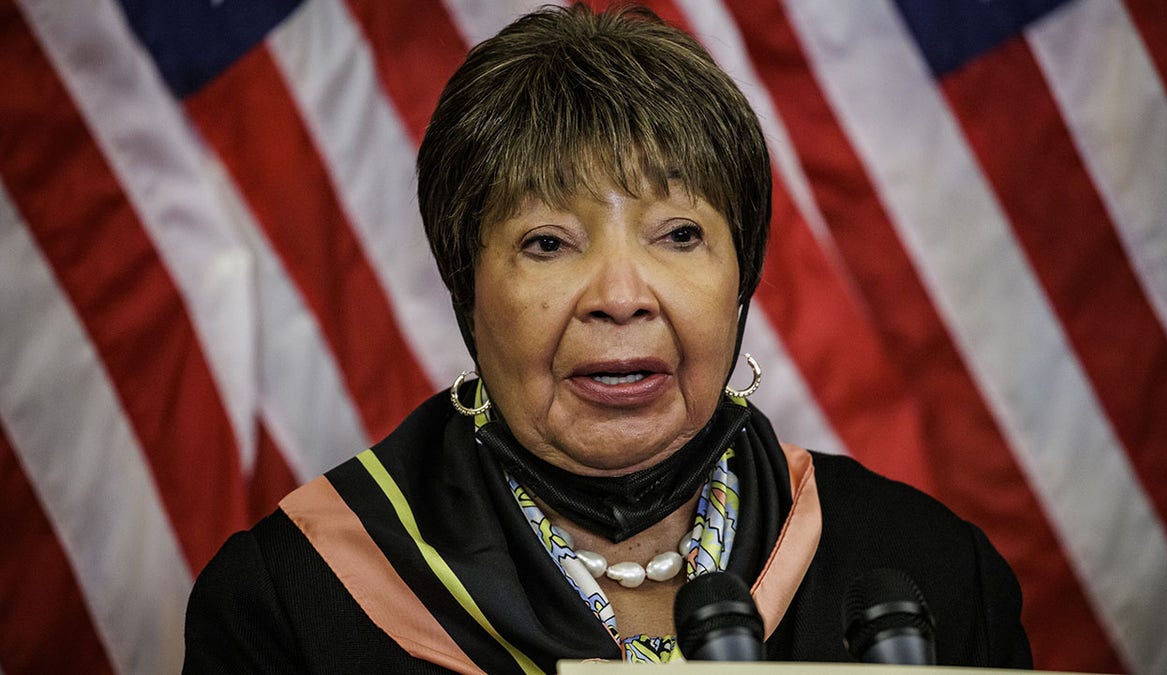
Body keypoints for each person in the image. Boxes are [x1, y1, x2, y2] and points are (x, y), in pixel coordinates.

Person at [183, 5, 1032, 672]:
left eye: (679, 234)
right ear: (465, 288)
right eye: (547, 242)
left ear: (743, 280)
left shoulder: (929, 569)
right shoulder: (293, 603)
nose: (622, 297)